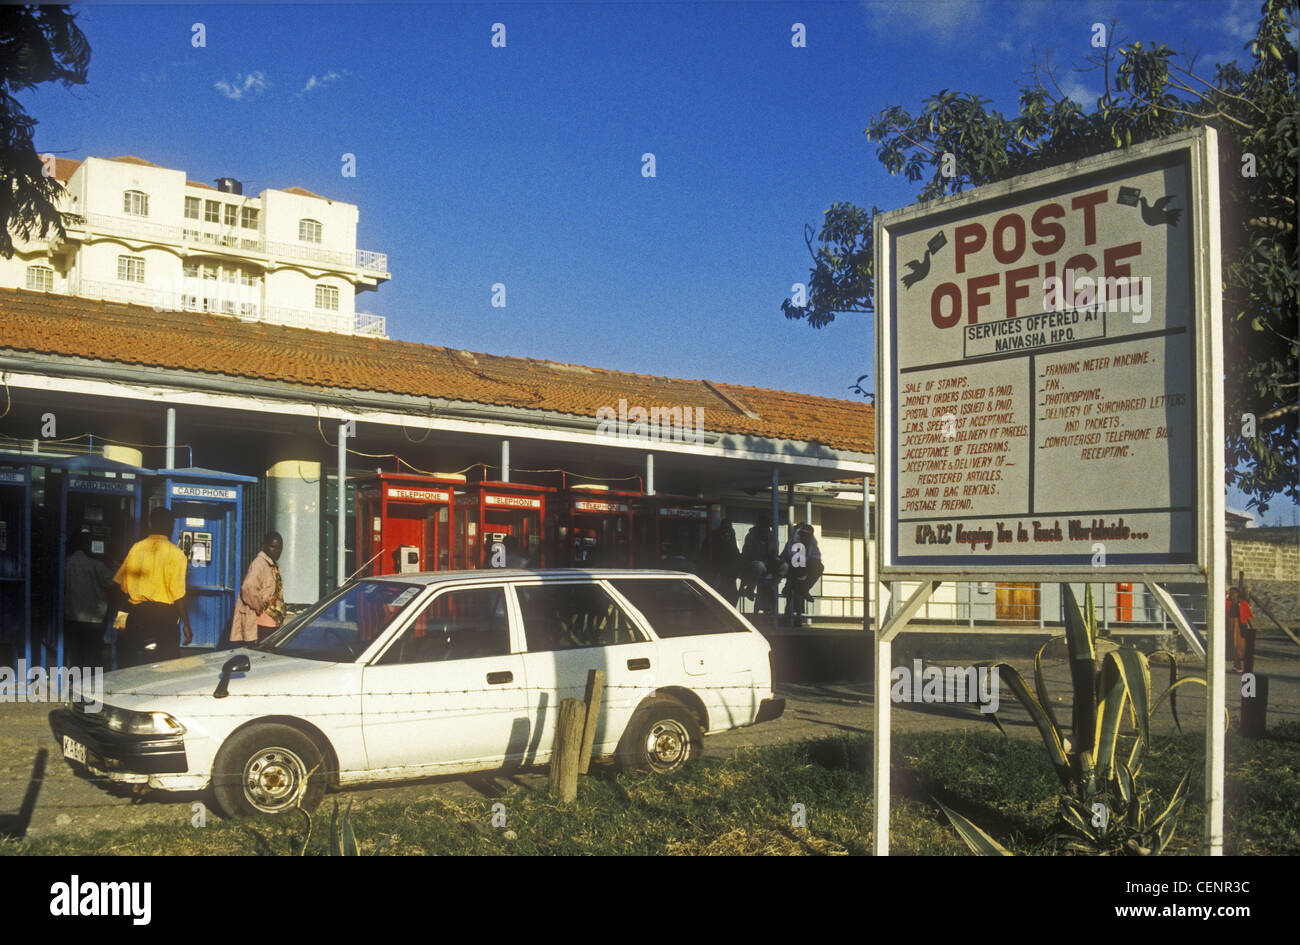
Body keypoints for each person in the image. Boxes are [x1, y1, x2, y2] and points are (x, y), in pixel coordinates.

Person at [113, 507, 192, 665]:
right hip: (165, 618)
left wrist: (119, 621)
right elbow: (178, 595)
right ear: (171, 526)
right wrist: (187, 625)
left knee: (129, 664)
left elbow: (122, 589)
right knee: (167, 664)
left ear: (151, 524)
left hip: (137, 615)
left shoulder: (136, 548)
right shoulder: (176, 554)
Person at [63, 532, 115, 667]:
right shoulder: (97, 565)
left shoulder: (65, 565)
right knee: (93, 656)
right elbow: (113, 582)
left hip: (72, 617)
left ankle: (75, 684)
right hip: (94, 619)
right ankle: (92, 684)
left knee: (75, 656)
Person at [231, 532, 285, 646]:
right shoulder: (259, 564)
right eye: (273, 547)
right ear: (264, 545)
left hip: (271, 619)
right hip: (263, 620)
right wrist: (259, 606)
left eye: (279, 547)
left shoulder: (271, 565)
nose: (277, 550)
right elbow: (247, 587)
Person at [780, 522, 825, 628]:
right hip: (791, 565)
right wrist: (802, 569)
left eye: (807, 535)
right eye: (803, 534)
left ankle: (802, 592)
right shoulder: (795, 540)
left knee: (799, 589)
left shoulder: (812, 541)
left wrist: (806, 569)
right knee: (794, 588)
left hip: (802, 566)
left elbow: (816, 557)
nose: (805, 537)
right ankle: (790, 617)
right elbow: (791, 555)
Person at [709, 518, 741, 606]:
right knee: (719, 595)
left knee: (731, 596)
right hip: (718, 572)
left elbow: (736, 555)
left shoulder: (731, 538)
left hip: (729, 574)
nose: (727, 533)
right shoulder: (716, 537)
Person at [1226, 586, 1255, 674]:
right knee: (1232, 646)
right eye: (1230, 594)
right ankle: (1236, 665)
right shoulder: (1228, 603)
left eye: (1232, 594)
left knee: (1239, 646)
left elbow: (1248, 616)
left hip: (1240, 626)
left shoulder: (1243, 603)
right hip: (1230, 625)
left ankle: (1239, 665)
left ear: (1237, 594)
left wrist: (1252, 628)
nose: (1231, 595)